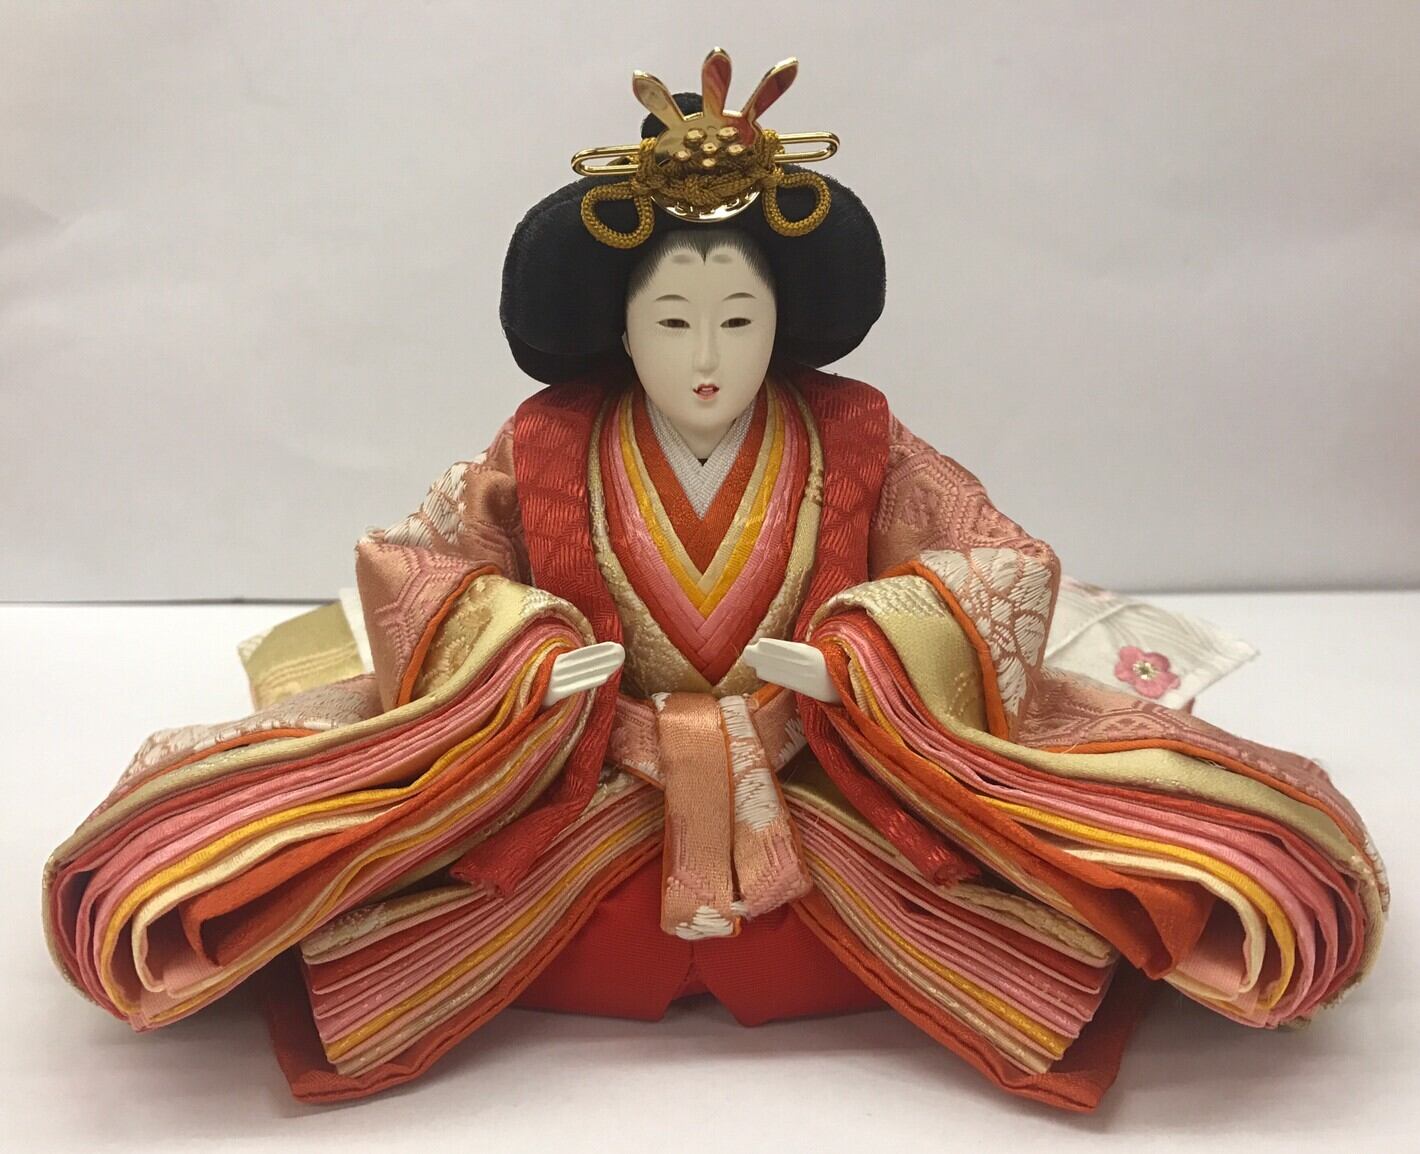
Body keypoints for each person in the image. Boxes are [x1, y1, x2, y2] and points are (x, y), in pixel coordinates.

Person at [43, 50, 1386, 1113]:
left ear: (781, 322)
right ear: (618, 328)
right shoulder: (545, 442)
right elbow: (420, 559)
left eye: (737, 319)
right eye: (671, 320)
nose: (706, 356)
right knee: (361, 905)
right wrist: (512, 659)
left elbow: (996, 559)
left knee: (1025, 921)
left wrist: (866, 656)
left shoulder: (858, 434)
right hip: (592, 778)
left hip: (811, 776)